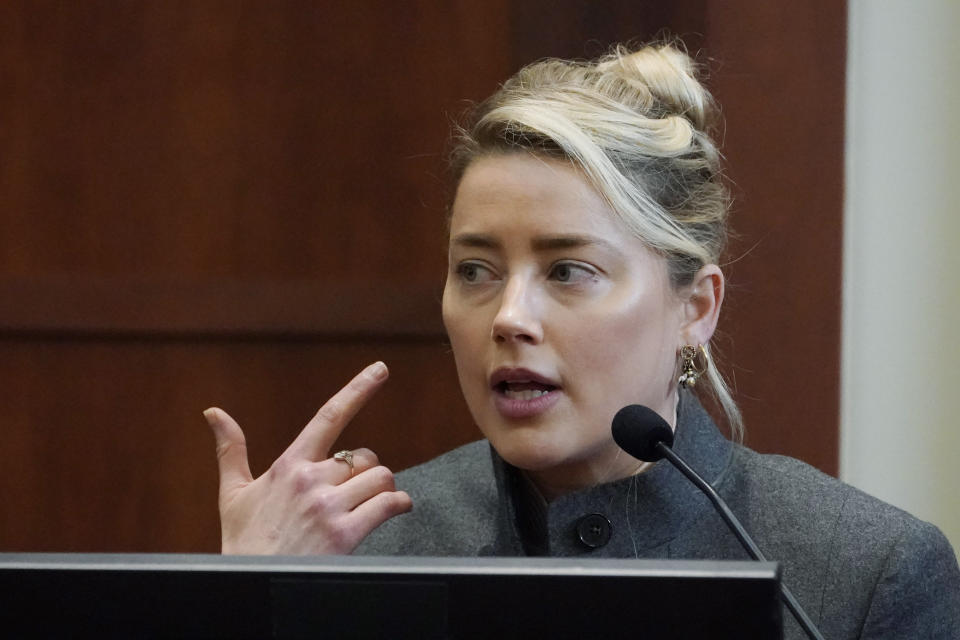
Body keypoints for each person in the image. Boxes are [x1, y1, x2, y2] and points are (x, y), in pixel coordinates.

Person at [203, 42, 960, 638]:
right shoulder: (363, 549)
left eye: (568, 270)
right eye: (475, 270)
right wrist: (241, 601)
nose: (509, 316)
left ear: (694, 306)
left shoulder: (862, 572)